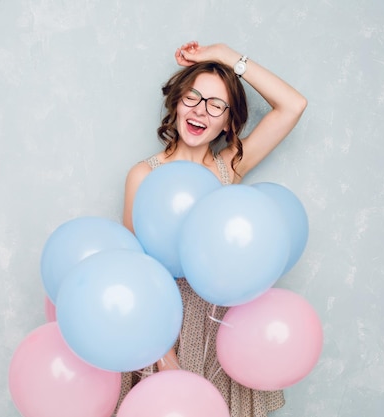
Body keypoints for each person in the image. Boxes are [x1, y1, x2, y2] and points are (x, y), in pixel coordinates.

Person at [118, 41, 307, 417]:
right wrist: (162, 354)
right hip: (163, 326)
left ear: (228, 122)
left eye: (215, 105)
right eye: (193, 97)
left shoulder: (228, 168)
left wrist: (224, 55)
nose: (200, 111)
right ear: (175, 103)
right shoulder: (144, 175)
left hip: (221, 327)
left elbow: (293, 105)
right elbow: (135, 270)